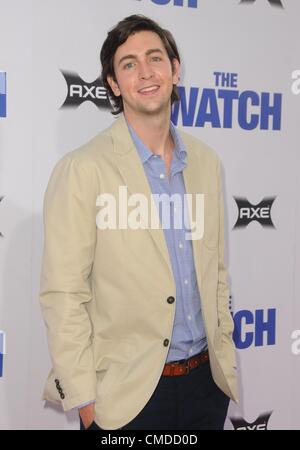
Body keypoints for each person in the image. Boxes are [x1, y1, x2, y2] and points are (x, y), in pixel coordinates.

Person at [39, 14, 238, 431]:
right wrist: (87, 403)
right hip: (126, 401)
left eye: (155, 58)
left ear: (174, 68)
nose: (145, 72)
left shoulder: (206, 163)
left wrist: (225, 358)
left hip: (207, 388)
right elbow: (63, 294)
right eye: (128, 64)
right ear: (113, 84)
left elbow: (215, 272)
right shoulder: (82, 168)